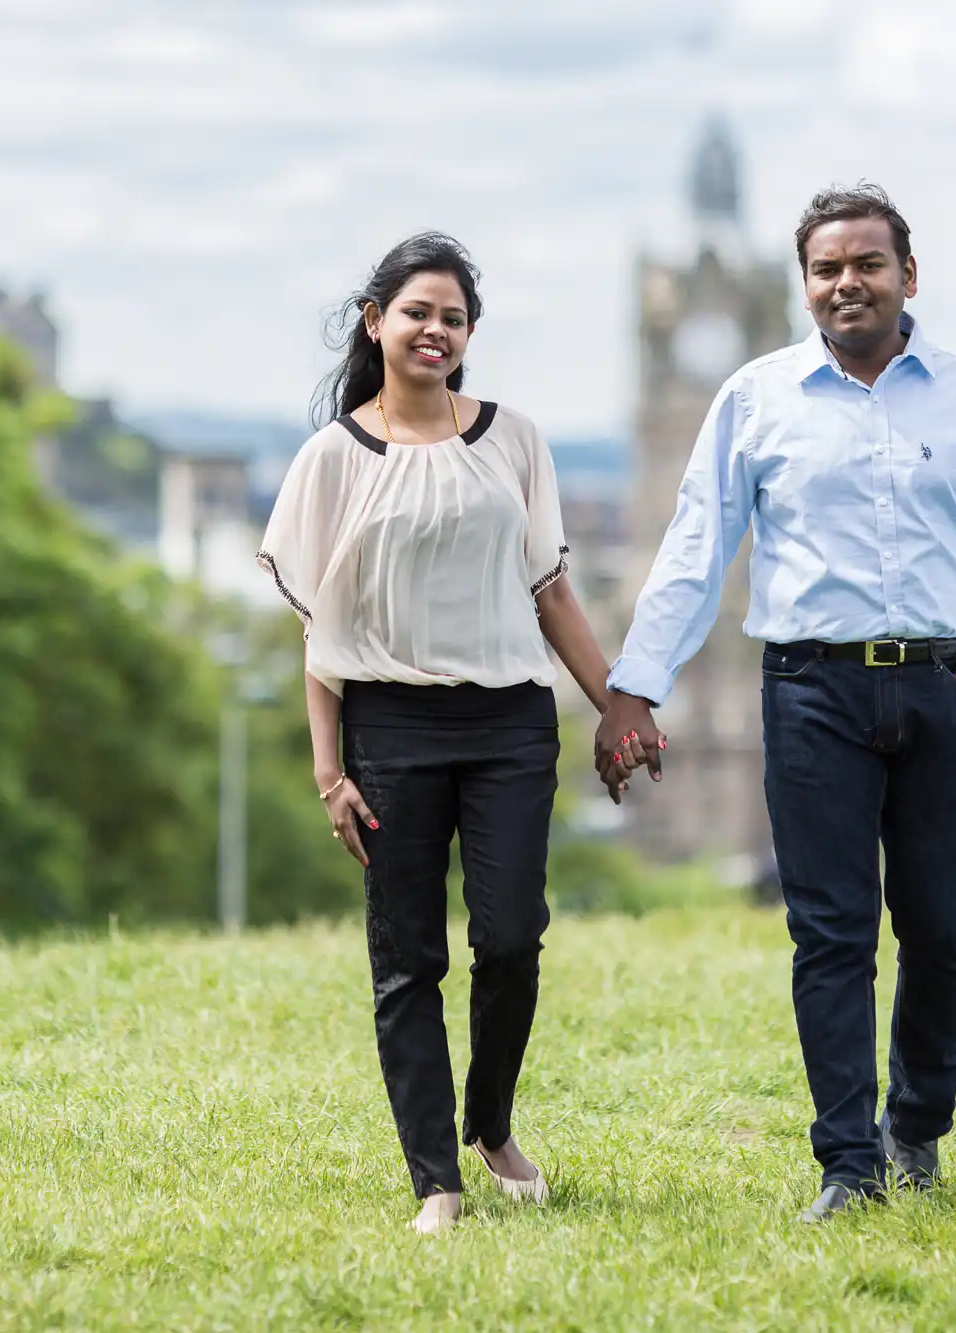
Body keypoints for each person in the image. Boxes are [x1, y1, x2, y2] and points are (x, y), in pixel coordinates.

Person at [597, 184, 956, 1223]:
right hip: (809, 687)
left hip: (944, 681)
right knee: (830, 934)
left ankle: (916, 1128)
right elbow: (693, 546)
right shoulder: (756, 399)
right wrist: (633, 685)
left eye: (865, 263)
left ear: (907, 275)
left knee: (944, 928)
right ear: (802, 284)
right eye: (825, 268)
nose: (845, 282)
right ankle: (847, 1165)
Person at [257, 233, 621, 1235]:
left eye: (453, 318)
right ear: (374, 321)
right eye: (416, 312)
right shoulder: (332, 459)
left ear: (468, 337)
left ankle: (490, 1122)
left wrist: (616, 702)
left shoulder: (513, 440)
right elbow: (319, 636)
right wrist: (329, 770)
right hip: (388, 725)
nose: (434, 331)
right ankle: (436, 1181)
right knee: (405, 957)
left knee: (509, 936)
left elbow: (551, 593)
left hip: (507, 719)